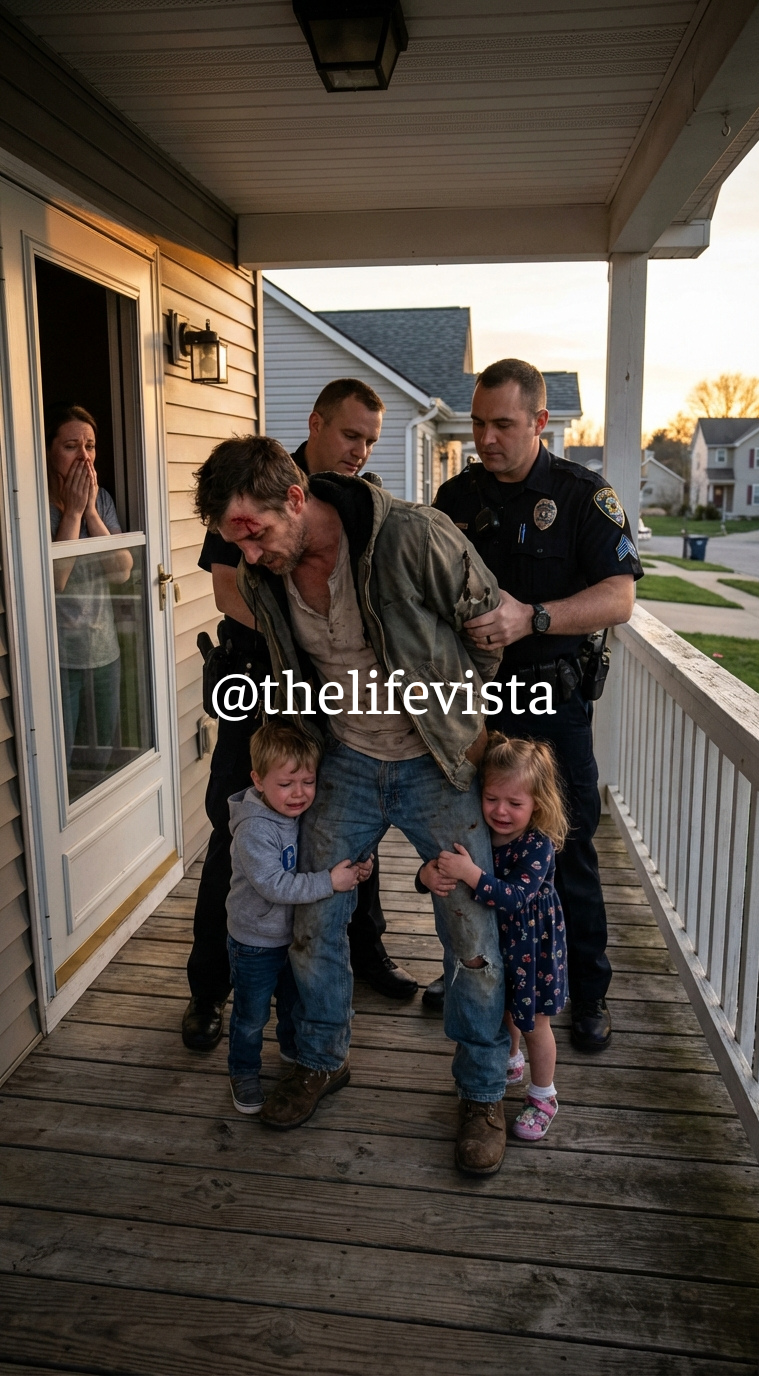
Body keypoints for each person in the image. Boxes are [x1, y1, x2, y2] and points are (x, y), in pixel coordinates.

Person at [193, 435, 512, 1177]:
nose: (249, 553)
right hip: (342, 760)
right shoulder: (263, 569)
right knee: (313, 921)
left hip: (436, 762)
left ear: (295, 497)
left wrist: (457, 718)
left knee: (471, 931)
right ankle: (321, 1058)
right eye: (237, 539)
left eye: (255, 532)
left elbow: (488, 628)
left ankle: (482, 1091)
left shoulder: (413, 534)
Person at [182, 378, 417, 1055]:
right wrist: (302, 639)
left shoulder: (355, 504)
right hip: (260, 685)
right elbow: (228, 589)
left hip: (333, 696)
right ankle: (209, 988)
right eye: (350, 434)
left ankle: (367, 954)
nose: (360, 450)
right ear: (315, 424)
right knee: (237, 828)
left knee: (352, 823)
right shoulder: (251, 485)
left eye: (370, 440)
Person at [430, 359, 642, 1051]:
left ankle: (588, 990)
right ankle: (470, 973)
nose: (485, 439)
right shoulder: (455, 497)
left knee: (567, 844)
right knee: (470, 838)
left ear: (540, 422)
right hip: (474, 704)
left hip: (552, 700)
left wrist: (533, 618)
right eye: (477, 424)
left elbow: (619, 597)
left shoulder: (583, 495)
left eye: (503, 425)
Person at [418, 733, 568, 1142]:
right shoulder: (476, 833)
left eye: (515, 803)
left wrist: (471, 874)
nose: (501, 811)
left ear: (538, 804)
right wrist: (425, 875)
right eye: (491, 799)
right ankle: (509, 1058)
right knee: (500, 1007)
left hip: (531, 946)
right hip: (498, 943)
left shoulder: (537, 845)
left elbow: (516, 897)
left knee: (534, 1023)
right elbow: (437, 867)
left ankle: (544, 1096)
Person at [226, 721, 371, 1114]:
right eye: (286, 783)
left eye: (308, 782)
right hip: (255, 941)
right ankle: (243, 1070)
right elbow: (274, 885)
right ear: (258, 780)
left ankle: (291, 1051)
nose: (299, 793)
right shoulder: (254, 829)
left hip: (292, 936)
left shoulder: (301, 812)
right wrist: (330, 882)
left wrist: (358, 866)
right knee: (251, 1014)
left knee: (293, 1001)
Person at [46, 405, 132, 777]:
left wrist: (92, 512)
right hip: (60, 657)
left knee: (98, 758)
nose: (84, 456)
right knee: (61, 759)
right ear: (48, 451)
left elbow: (122, 571)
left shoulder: (103, 500)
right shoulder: (36, 506)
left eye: (90, 446)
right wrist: (73, 513)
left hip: (104, 651)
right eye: (71, 446)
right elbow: (55, 580)